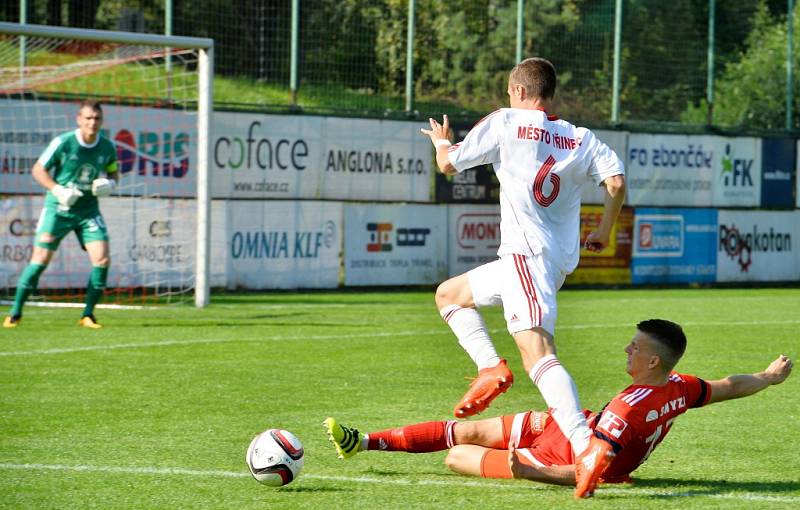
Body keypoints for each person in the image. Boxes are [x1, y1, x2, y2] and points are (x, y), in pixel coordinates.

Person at [419, 57, 626, 464]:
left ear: (518, 91)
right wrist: (604, 232)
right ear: (549, 94)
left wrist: (442, 141)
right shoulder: (580, 137)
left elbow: (447, 164)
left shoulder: (506, 121)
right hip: (547, 264)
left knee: (538, 353)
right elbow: (616, 182)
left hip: (525, 258)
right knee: (450, 295)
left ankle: (586, 448)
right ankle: (491, 367)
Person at [323, 319, 793, 499]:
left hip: (557, 457)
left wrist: (532, 474)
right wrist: (768, 378)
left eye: (635, 348)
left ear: (653, 361)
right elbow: (727, 386)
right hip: (568, 425)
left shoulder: (627, 412)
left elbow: (594, 468)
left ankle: (366, 443)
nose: (626, 350)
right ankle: (363, 442)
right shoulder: (680, 386)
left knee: (456, 454)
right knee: (468, 429)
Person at [3, 100, 118, 329]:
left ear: (101, 121)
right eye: (88, 118)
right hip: (59, 209)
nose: (92, 123)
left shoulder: (107, 147)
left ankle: (87, 315)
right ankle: (14, 314)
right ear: (79, 119)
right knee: (40, 261)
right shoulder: (63, 142)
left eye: (96, 118)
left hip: (88, 211)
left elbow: (115, 173)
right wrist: (57, 189)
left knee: (102, 259)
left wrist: (111, 184)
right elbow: (38, 169)